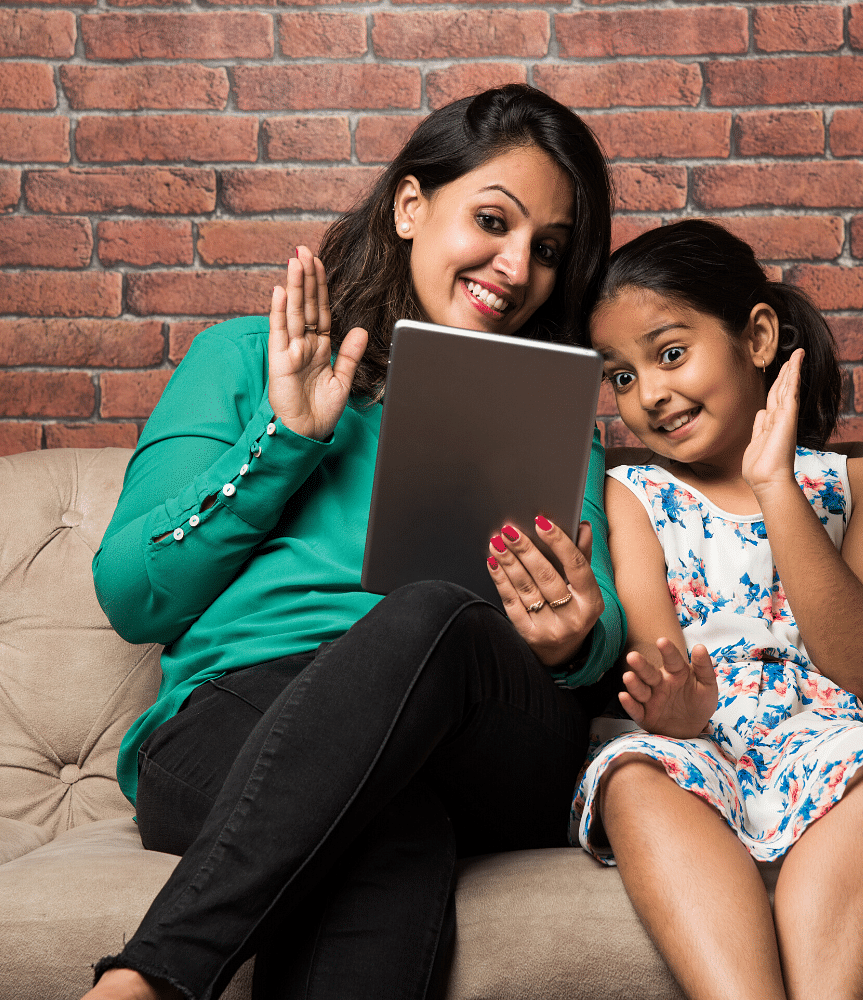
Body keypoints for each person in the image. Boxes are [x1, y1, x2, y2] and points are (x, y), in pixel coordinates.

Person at [83, 84, 625, 1000]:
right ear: (412, 205)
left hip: (478, 731)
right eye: (492, 221)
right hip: (232, 717)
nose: (517, 265)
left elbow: (604, 628)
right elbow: (133, 595)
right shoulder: (243, 357)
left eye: (548, 249)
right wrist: (283, 444)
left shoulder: (553, 419)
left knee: (431, 612)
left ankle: (151, 980)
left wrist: (574, 636)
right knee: (387, 825)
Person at [570, 220, 863, 1000]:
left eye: (668, 353)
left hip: (828, 733)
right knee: (633, 774)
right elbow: (661, 662)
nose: (649, 393)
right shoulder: (632, 496)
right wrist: (678, 707)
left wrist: (776, 486)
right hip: (699, 740)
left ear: (758, 336)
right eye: (621, 377)